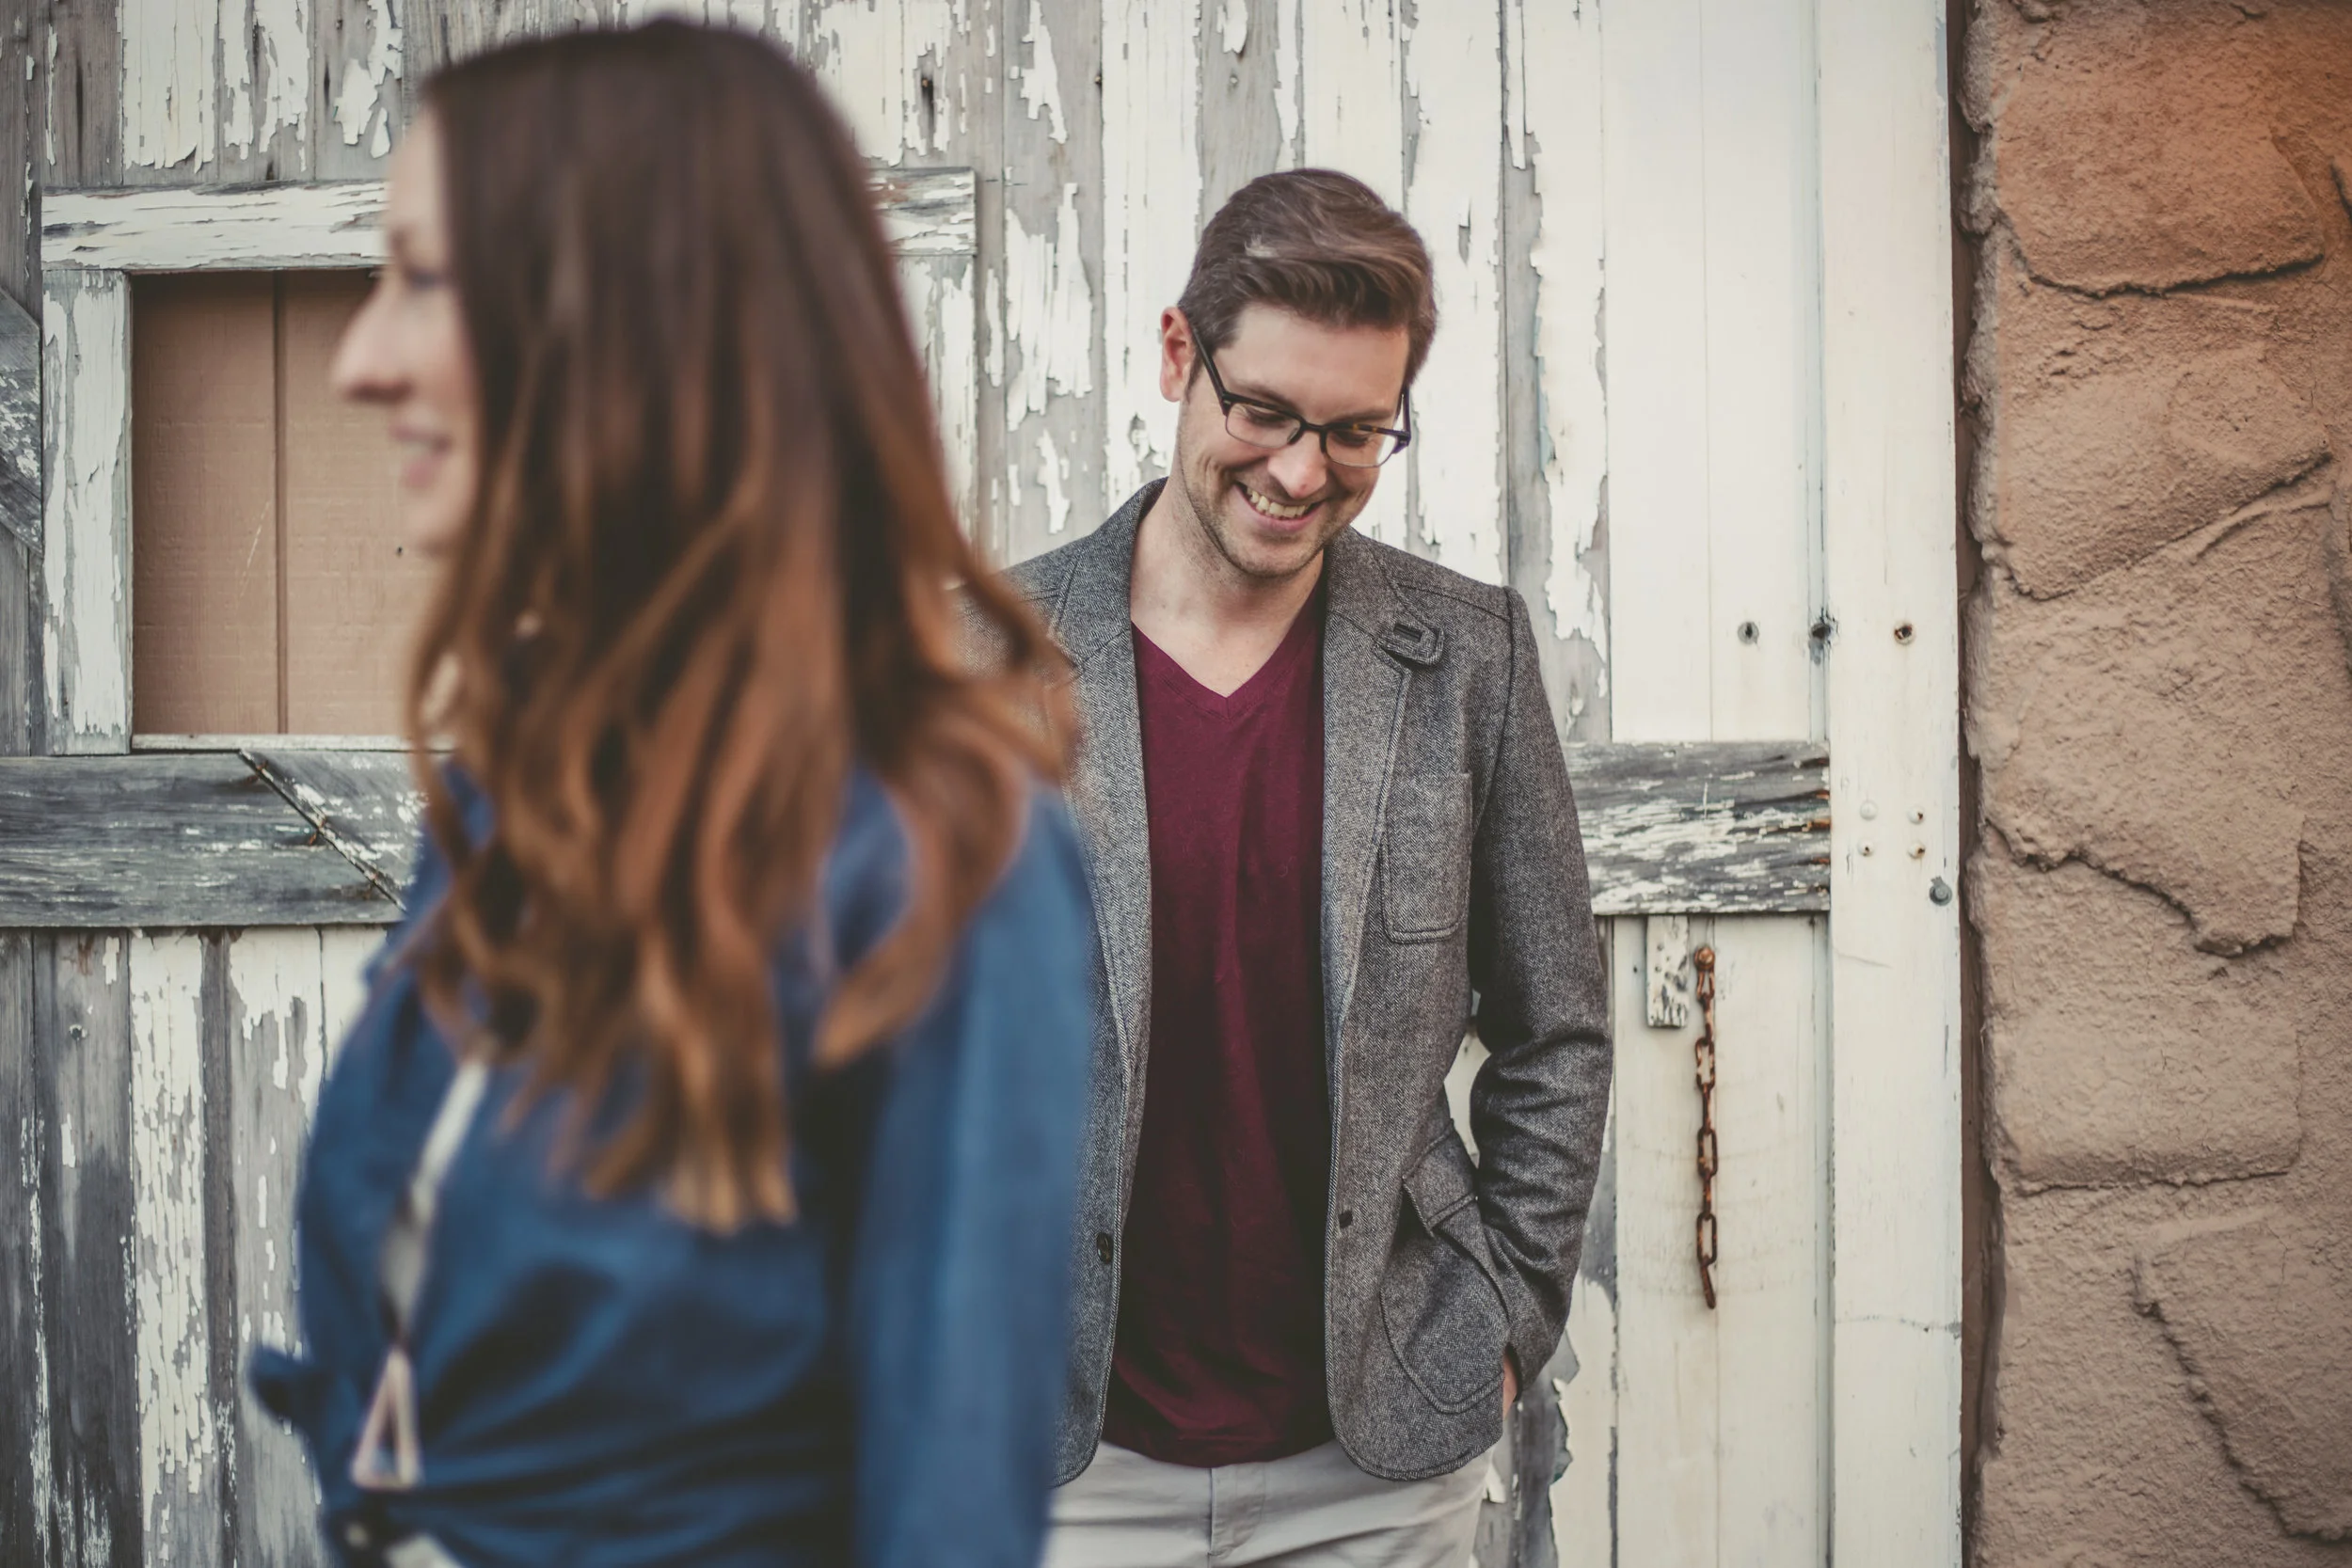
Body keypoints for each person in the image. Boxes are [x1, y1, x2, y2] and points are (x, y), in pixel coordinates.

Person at [247, 24, 1096, 1568]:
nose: (362, 357)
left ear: (634, 315)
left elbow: (953, 1507)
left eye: (426, 276)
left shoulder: (933, 850)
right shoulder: (525, 793)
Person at [1020, 170, 1613, 1566]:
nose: (1299, 473)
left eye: (1354, 433)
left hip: (1378, 1461)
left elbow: (1558, 1025)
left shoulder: (1468, 657)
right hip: (1057, 1456)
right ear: (1180, 354)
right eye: (1265, 413)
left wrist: (1506, 1318)